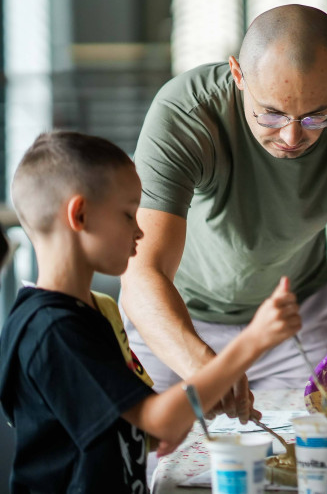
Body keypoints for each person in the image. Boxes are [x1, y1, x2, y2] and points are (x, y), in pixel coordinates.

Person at [120, 4, 327, 422]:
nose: (292, 136)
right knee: (160, 464)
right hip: (177, 313)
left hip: (294, 316)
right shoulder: (186, 111)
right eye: (271, 113)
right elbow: (142, 272)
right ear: (238, 74)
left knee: (314, 453)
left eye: (315, 115)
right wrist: (209, 370)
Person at [0, 132, 301, 493]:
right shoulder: (51, 329)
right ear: (79, 214)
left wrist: (190, 408)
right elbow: (158, 422)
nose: (140, 231)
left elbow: (132, 424)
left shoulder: (92, 311)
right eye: (129, 214)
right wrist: (251, 343)